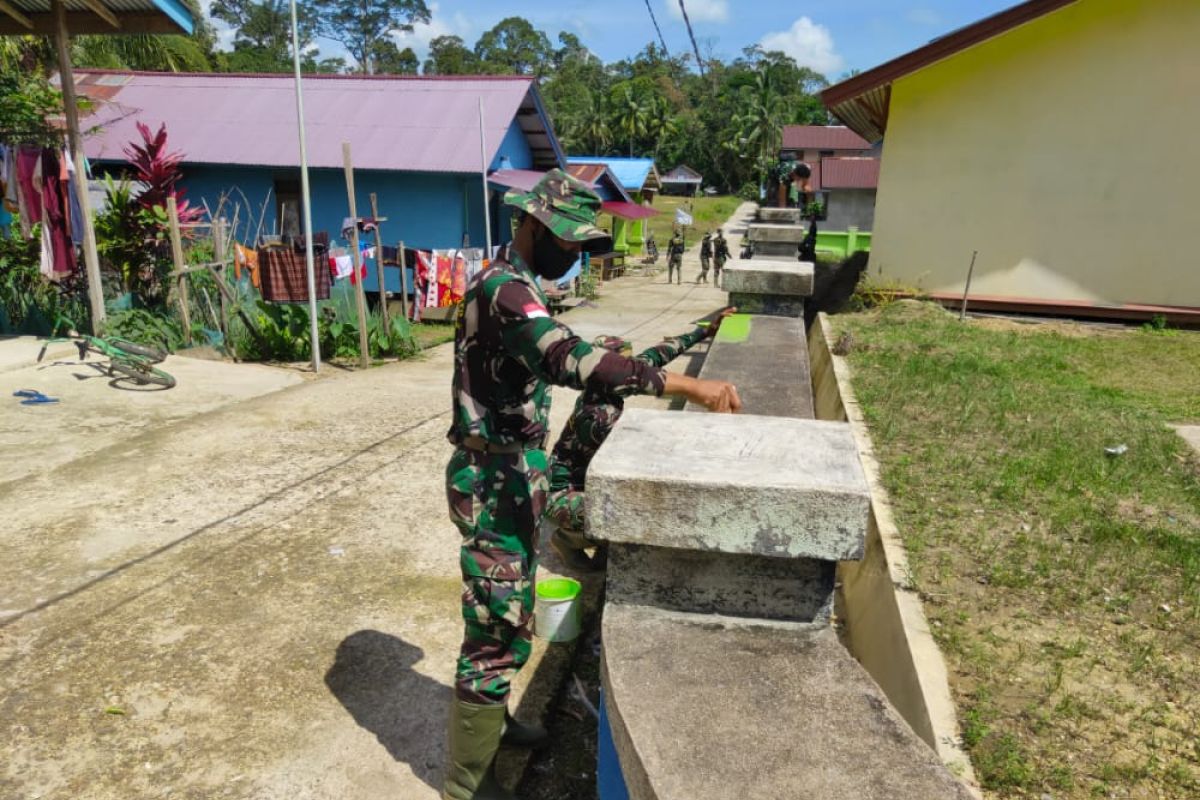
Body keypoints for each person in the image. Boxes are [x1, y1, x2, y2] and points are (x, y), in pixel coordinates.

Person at [442, 169, 740, 800]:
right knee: (495, 622)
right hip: (492, 475)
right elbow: (570, 360)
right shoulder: (504, 290)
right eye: (568, 240)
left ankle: (494, 729)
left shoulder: (519, 283)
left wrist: (699, 334)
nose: (575, 254)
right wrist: (688, 385)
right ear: (531, 223)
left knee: (513, 611)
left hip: (514, 473)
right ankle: (466, 783)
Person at [544, 308, 736, 571]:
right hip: (562, 495)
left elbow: (660, 352)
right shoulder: (597, 414)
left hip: (588, 480)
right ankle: (568, 539)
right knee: (628, 510)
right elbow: (637, 453)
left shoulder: (610, 384)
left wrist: (705, 330)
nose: (629, 372)